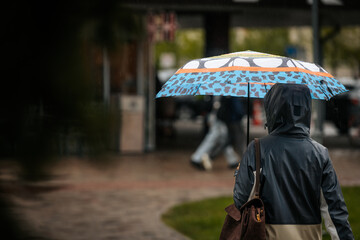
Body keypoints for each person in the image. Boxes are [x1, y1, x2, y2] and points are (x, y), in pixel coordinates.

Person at [233, 83, 354, 239]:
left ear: (272, 109)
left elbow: (240, 201)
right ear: (306, 109)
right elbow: (335, 211)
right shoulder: (320, 153)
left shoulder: (256, 149)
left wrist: (240, 174)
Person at [190, 96, 246, 170]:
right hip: (218, 119)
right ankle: (197, 158)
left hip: (219, 118)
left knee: (223, 139)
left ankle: (232, 160)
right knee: (213, 139)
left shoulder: (222, 93)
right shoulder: (222, 94)